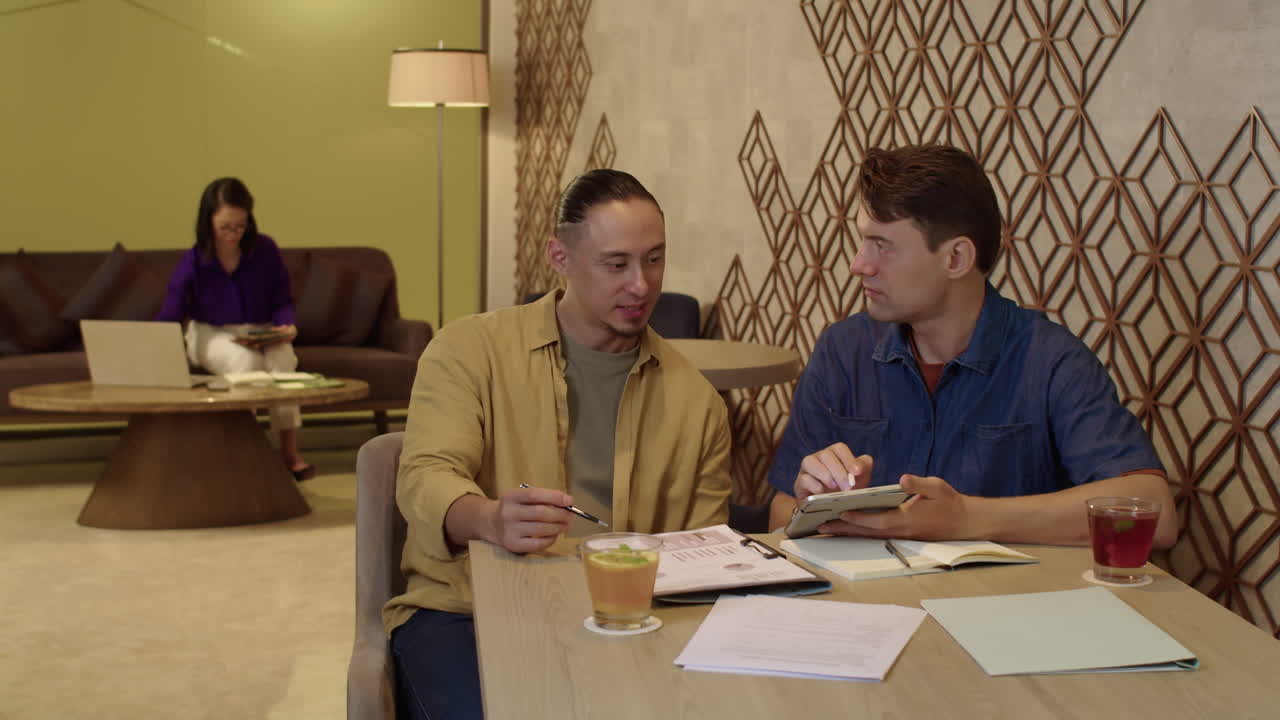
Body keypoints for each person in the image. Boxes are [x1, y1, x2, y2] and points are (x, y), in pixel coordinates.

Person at [384, 168, 731, 720]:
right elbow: (425, 474)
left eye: (655, 259)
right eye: (616, 264)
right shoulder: (470, 350)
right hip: (468, 612)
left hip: (630, 621)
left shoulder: (696, 401)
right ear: (560, 258)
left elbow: (704, 552)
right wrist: (490, 518)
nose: (641, 285)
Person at [766, 144, 1177, 549]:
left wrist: (965, 517)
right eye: (862, 242)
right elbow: (780, 512)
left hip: (1006, 608)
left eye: (882, 246)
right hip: (870, 605)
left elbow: (1155, 516)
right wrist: (820, 505)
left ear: (956, 258)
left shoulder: (1051, 361)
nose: (859, 264)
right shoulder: (843, 350)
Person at [155, 177, 313, 481]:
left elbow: (282, 298)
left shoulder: (264, 250)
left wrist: (284, 327)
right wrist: (153, 343)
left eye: (239, 226)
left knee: (282, 359)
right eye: (225, 227)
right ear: (209, 221)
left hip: (260, 329)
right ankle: (245, 450)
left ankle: (289, 452)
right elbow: (172, 309)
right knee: (246, 363)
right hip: (211, 332)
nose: (233, 234)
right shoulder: (194, 260)